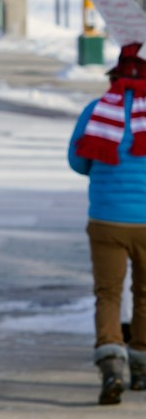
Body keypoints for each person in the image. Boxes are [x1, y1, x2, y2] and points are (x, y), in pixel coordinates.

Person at [68, 41, 146, 405]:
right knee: (145, 294)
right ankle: (142, 367)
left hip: (106, 219)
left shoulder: (97, 109)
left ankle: (112, 362)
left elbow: (78, 161)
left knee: (108, 293)